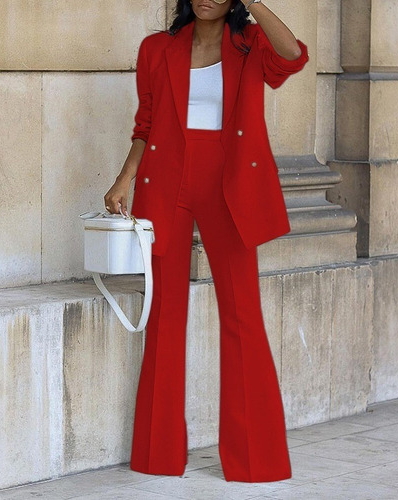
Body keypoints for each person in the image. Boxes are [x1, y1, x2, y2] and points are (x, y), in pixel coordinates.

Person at [103, 0, 309, 483]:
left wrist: (257, 4)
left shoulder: (250, 42)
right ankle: (157, 455)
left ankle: (255, 460)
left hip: (230, 182)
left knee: (242, 314)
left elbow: (294, 56)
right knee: (164, 317)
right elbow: (146, 123)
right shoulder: (157, 48)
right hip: (166, 182)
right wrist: (123, 179)